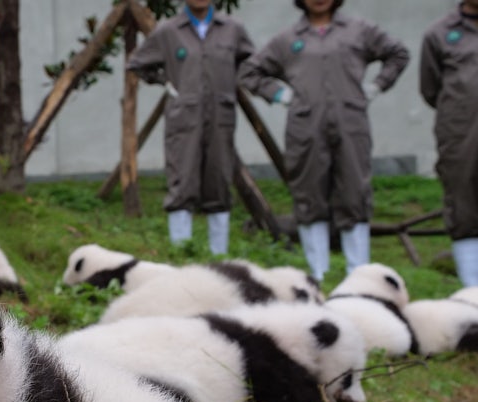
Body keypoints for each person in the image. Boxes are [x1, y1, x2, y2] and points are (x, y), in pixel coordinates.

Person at [239, 0, 409, 281]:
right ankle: (317, 273)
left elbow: (398, 53)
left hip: (350, 123)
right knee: (309, 194)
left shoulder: (359, 30)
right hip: (306, 127)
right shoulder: (288, 39)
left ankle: (359, 273)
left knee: (354, 193)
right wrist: (281, 95)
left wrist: (377, 86)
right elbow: (250, 72)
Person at [127, 0, 254, 256]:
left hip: (221, 116)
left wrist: (231, 81)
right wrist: (167, 81)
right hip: (184, 118)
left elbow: (251, 62)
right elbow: (137, 63)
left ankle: (219, 258)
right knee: (182, 181)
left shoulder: (232, 29)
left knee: (219, 180)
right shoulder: (169, 31)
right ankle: (180, 256)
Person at [419, 1, 478, 287]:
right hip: (459, 132)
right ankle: (472, 290)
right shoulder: (439, 33)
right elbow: (430, 89)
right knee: (463, 201)